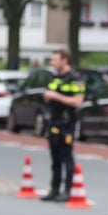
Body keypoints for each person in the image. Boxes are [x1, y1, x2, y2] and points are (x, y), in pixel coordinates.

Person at [39, 50, 87, 202]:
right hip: (53, 122)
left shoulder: (75, 79)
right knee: (55, 158)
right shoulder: (54, 78)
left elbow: (78, 101)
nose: (52, 63)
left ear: (64, 60)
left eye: (55, 60)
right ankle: (54, 189)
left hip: (68, 124)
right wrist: (47, 98)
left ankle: (67, 190)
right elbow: (50, 95)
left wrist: (55, 96)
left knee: (67, 156)